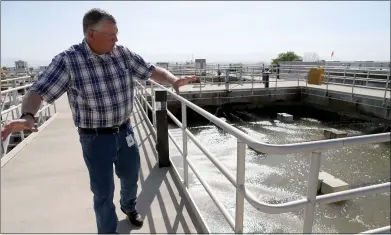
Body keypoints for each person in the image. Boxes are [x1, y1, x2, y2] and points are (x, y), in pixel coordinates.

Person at [1, 8, 195, 234]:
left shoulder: (122, 54)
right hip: (94, 138)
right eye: (111, 35)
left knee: (131, 176)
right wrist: (28, 116)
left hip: (125, 131)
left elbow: (150, 71)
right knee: (103, 191)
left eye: (117, 34)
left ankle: (129, 207)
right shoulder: (69, 61)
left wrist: (173, 80)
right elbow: (38, 91)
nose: (116, 39)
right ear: (90, 34)